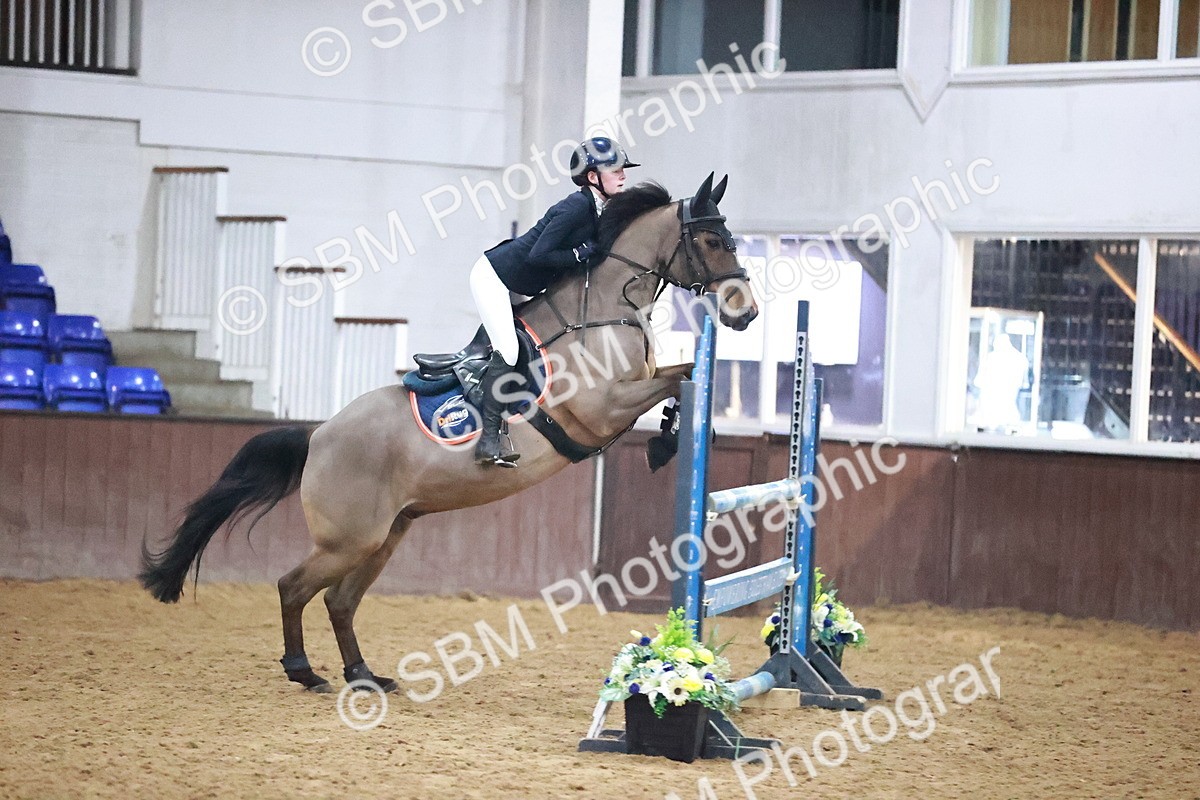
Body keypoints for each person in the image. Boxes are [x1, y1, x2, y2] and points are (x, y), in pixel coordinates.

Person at [471, 136, 639, 467]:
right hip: (494, 276)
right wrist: (579, 253)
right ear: (593, 177)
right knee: (509, 349)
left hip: (522, 282)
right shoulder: (577, 206)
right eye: (616, 170)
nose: (623, 175)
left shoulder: (599, 208)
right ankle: (488, 441)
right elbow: (539, 254)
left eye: (623, 170)